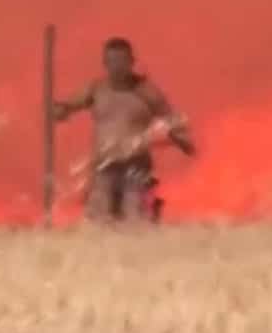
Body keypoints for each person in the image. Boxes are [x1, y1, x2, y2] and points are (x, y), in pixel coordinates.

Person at [53, 37, 195, 223]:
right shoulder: (97, 89)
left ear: (131, 62)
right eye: (112, 61)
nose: (117, 67)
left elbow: (172, 120)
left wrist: (181, 140)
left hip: (136, 168)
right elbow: (68, 106)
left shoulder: (146, 91)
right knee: (99, 219)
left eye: (122, 61)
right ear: (105, 63)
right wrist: (57, 110)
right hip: (103, 166)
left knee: (135, 219)